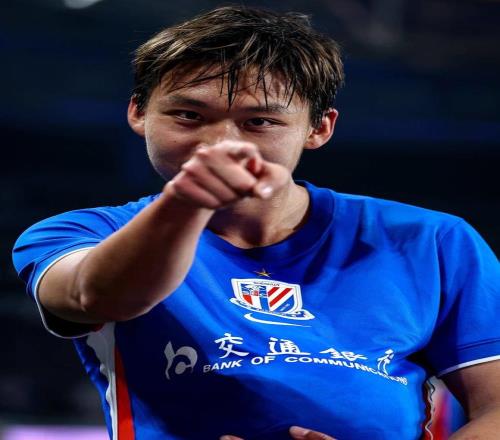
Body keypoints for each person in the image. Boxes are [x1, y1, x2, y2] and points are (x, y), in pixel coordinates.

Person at [11, 5, 500, 440]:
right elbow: (96, 296)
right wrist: (190, 199)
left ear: (319, 127)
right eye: (188, 115)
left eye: (259, 122)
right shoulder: (80, 234)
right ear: (139, 113)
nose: (221, 144)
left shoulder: (434, 241)